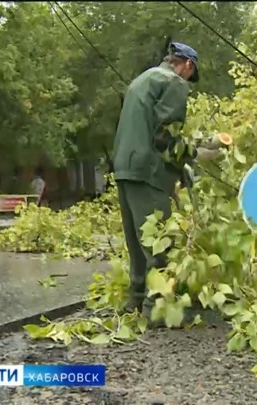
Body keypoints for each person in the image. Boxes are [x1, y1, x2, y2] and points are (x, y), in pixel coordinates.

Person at [112, 42, 204, 314]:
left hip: (124, 166)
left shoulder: (141, 80)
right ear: (187, 64)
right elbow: (165, 136)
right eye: (191, 73)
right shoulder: (174, 83)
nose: (188, 80)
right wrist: (187, 160)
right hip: (149, 169)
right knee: (159, 240)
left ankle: (136, 298)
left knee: (136, 239)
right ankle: (157, 307)